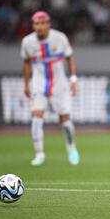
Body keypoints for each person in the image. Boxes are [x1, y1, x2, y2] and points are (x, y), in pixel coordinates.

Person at [21, 11, 80, 166]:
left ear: (48, 24)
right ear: (33, 25)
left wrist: (73, 79)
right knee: (36, 117)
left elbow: (70, 57)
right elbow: (26, 63)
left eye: (42, 23)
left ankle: (71, 149)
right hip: (39, 85)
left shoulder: (59, 38)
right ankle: (39, 154)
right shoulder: (27, 42)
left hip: (59, 85)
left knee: (65, 120)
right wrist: (26, 84)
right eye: (36, 24)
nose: (39, 27)